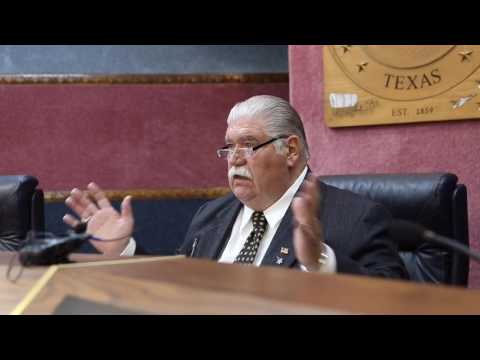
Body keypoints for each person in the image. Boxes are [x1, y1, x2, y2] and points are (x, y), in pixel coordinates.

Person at [63, 95, 408, 278]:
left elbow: (397, 303)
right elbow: (181, 285)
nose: (234, 159)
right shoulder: (212, 215)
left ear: (290, 150)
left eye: (247, 145)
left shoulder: (355, 215)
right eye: (229, 148)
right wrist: (123, 251)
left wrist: (320, 261)